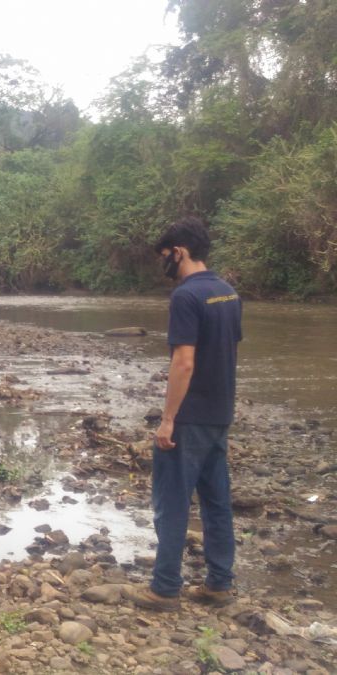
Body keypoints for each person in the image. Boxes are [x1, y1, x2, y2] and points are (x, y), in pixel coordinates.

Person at [130, 217, 242, 611]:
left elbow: (184, 363)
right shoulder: (228, 293)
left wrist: (167, 419)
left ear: (179, 252)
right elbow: (227, 350)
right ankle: (219, 584)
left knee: (171, 501)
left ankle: (164, 588)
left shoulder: (186, 297)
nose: (166, 266)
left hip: (190, 417)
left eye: (166, 257)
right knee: (216, 501)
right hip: (219, 413)